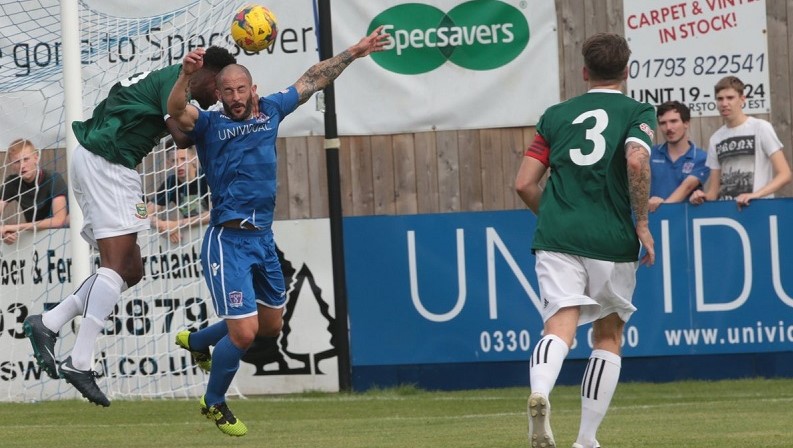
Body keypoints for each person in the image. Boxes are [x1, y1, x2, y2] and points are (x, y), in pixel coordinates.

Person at [166, 27, 390, 436]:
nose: (234, 97)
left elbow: (313, 78)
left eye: (240, 89)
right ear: (218, 92)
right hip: (227, 241)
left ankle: (200, 342)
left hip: (263, 240)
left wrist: (356, 52)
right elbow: (177, 109)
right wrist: (184, 76)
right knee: (245, 333)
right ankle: (214, 401)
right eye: (226, 90)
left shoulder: (270, 110)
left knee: (270, 327)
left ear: (253, 88)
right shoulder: (210, 126)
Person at [22, 46, 237, 407]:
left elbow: (181, 129)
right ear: (208, 76)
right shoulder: (177, 85)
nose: (218, 98)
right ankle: (80, 360)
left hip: (106, 163)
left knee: (131, 269)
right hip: (109, 163)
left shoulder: (169, 81)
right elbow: (183, 137)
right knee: (116, 265)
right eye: (218, 90)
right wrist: (227, 125)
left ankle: (49, 322)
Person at [514, 33, 655, 448]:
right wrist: (642, 221)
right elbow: (636, 160)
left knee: (559, 326)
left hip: (557, 236)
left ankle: (540, 391)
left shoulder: (556, 116)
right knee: (608, 335)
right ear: (626, 72)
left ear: (584, 71)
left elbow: (523, 183)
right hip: (611, 238)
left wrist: (557, 218)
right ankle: (586, 439)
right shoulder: (636, 111)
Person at [690, 76, 792, 209]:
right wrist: (700, 196)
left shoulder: (761, 128)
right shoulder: (715, 138)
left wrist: (756, 194)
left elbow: (785, 174)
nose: (724, 103)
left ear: (742, 99)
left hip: (758, 209)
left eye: (730, 98)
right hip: (728, 212)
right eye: (720, 99)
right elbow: (713, 192)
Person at [0, 138, 69, 244]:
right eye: (17, 162)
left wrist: (15, 227)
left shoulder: (53, 178)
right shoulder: (12, 183)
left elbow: (59, 220)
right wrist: (5, 233)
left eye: (26, 159)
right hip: (35, 239)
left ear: (36, 158)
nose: (22, 166)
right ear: (12, 165)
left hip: (65, 236)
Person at [649, 101, 710, 211]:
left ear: (686, 123)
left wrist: (663, 208)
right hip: (652, 221)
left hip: (685, 222)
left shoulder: (701, 158)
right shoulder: (650, 155)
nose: (668, 127)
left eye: (673, 121)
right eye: (663, 123)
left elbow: (687, 187)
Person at [148, 144, 210, 243]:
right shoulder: (171, 183)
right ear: (168, 164)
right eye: (174, 161)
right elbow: (144, 214)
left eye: (183, 159)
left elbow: (217, 213)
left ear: (194, 159)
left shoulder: (207, 177)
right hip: (191, 238)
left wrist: (177, 224)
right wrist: (162, 225)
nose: (179, 165)